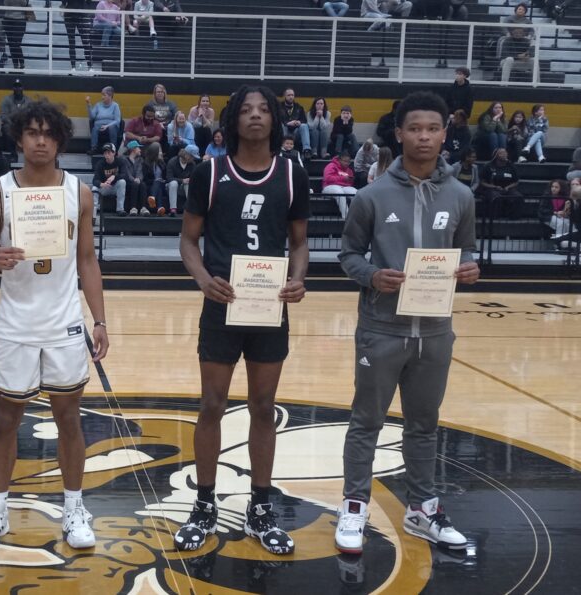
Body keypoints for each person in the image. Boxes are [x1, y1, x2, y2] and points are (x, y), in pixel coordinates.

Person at [335, 91, 478, 556]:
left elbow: (466, 250)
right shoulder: (371, 196)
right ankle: (354, 507)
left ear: (444, 133)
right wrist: (373, 275)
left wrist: (470, 268)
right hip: (381, 331)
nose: (424, 137)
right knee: (366, 422)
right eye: (414, 128)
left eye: (432, 129)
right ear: (398, 134)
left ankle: (422, 509)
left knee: (424, 425)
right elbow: (347, 256)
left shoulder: (461, 196)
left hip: (436, 333)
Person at [175, 85, 309, 556]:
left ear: (275, 120)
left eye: (263, 110)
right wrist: (202, 278)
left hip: (270, 308)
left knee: (263, 407)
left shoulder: (292, 174)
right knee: (211, 404)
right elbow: (188, 241)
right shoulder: (210, 173)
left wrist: (298, 279)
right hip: (222, 303)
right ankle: (205, 503)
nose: (255, 116)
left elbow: (299, 243)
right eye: (246, 110)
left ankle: (260, 505)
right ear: (233, 121)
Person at [0, 99, 109, 553]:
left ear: (61, 140)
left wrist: (100, 320)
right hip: (15, 323)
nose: (41, 140)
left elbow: (87, 259)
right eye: (32, 132)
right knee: (6, 419)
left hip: (65, 322)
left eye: (49, 133)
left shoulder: (79, 192)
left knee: (69, 418)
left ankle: (74, 507)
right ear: (19, 138)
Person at [478, 147, 523, 219]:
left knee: (518, 197)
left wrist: (508, 187)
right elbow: (482, 182)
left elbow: (516, 182)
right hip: (492, 188)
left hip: (507, 188)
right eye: (502, 153)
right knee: (496, 197)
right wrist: (494, 187)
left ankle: (513, 218)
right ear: (496, 155)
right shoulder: (488, 166)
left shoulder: (511, 166)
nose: (505, 154)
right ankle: (494, 217)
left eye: (505, 152)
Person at [91, 142, 128, 216]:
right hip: (105, 187)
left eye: (109, 152)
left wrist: (114, 177)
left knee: (122, 182)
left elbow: (125, 175)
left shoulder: (120, 161)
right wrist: (101, 184)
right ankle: (93, 215)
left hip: (115, 187)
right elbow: (94, 180)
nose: (107, 155)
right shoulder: (100, 164)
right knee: (94, 188)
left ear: (114, 153)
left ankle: (120, 209)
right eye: (105, 153)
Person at [0, 79, 31, 157]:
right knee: (7, 128)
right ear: (13, 88)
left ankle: (28, 153)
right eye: (16, 87)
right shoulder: (6, 99)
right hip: (10, 124)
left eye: (19, 87)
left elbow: (31, 116)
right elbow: (3, 116)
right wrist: (13, 124)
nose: (17, 89)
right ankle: (12, 153)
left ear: (23, 88)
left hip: (24, 125)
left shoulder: (29, 101)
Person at [86, 86, 122, 154]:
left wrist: (107, 126)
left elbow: (117, 120)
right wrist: (88, 104)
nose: (102, 97)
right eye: (102, 95)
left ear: (110, 96)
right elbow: (92, 117)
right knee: (95, 128)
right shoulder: (98, 105)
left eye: (104, 95)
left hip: (111, 125)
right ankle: (94, 148)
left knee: (112, 128)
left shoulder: (115, 106)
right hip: (98, 125)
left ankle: (113, 148)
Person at [323, 151, 358, 219]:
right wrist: (343, 178)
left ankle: (356, 216)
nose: (347, 163)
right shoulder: (331, 166)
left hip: (344, 187)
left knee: (357, 193)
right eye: (345, 161)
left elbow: (350, 184)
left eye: (348, 161)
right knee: (340, 193)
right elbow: (327, 178)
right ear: (339, 160)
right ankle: (347, 217)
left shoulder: (349, 170)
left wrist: (350, 180)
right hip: (329, 186)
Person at [62, 0, 94, 72]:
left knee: (85, 41)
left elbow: (89, 2)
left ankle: (90, 67)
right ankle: (73, 67)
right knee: (71, 42)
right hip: (69, 16)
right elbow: (64, 2)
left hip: (82, 16)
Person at [280, 88, 311, 160]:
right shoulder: (279, 107)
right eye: (289, 95)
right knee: (282, 125)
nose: (291, 97)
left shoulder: (299, 107)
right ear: (285, 96)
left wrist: (299, 122)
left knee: (304, 126)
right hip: (285, 130)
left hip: (295, 132)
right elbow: (276, 120)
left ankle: (306, 150)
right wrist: (287, 123)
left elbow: (304, 120)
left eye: (292, 95)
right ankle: (283, 148)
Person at [166, 145, 197, 215]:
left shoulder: (192, 164)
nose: (194, 159)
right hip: (171, 187)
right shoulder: (172, 162)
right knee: (174, 183)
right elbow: (169, 178)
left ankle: (191, 208)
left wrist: (189, 180)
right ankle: (173, 209)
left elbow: (194, 178)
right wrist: (182, 180)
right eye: (193, 157)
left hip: (184, 188)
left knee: (188, 183)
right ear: (187, 155)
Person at [142, 141, 168, 215]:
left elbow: (166, 177)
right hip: (151, 185)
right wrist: (155, 180)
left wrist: (161, 180)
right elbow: (145, 178)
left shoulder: (162, 163)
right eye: (159, 151)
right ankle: (159, 208)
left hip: (163, 184)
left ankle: (152, 197)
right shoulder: (146, 163)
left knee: (159, 183)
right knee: (158, 186)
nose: (161, 152)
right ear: (154, 152)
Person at [122, 140, 147, 215]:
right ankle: (133, 208)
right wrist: (134, 180)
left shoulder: (140, 159)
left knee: (142, 184)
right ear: (133, 149)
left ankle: (143, 208)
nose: (140, 150)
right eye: (138, 148)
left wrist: (138, 178)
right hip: (127, 182)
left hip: (137, 181)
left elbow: (140, 171)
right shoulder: (124, 160)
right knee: (134, 184)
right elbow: (127, 173)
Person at [4, 0, 30, 69]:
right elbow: (6, 3)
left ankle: (21, 62)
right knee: (11, 43)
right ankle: (15, 64)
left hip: (20, 20)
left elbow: (24, 3)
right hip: (8, 19)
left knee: (16, 43)